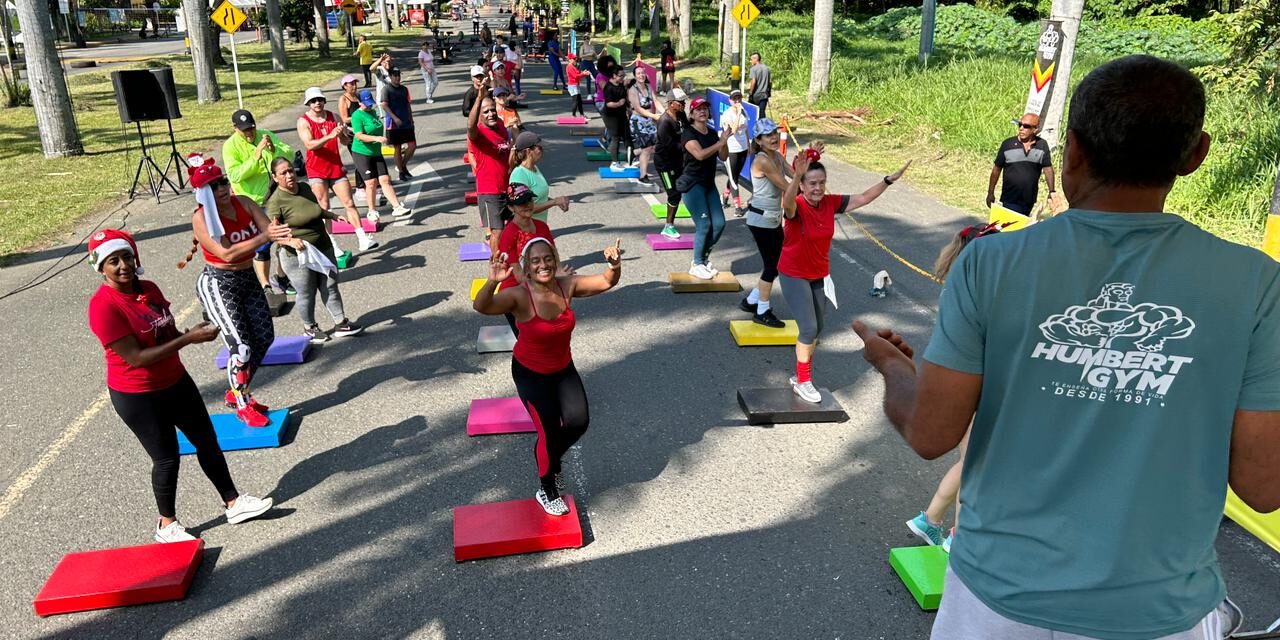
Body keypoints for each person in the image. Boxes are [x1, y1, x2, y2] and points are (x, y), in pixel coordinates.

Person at [855, 55, 1279, 640]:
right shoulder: (1254, 283)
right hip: (1158, 613)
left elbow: (931, 434)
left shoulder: (991, 263)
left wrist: (892, 367)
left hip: (997, 602)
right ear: (1196, 154)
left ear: (1072, 150)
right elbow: (1263, 485)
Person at [88, 229, 274, 543]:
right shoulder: (103, 307)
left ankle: (233, 502)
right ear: (101, 268)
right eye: (113, 261)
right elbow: (136, 358)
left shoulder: (149, 288)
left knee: (207, 440)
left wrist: (193, 331)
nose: (123, 265)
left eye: (127, 257)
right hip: (138, 394)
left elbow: (167, 333)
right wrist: (188, 340)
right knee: (166, 457)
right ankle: (167, 524)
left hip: (175, 380)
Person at [473, 237, 624, 516]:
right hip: (531, 374)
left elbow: (606, 281)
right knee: (548, 430)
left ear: (555, 260)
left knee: (579, 422)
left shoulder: (567, 285)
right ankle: (547, 487)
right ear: (527, 269)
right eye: (536, 261)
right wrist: (492, 281)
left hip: (563, 368)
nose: (543, 264)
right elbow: (482, 306)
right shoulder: (519, 295)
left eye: (547, 258)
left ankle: (550, 456)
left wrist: (614, 265)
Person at [903, 221, 1006, 553]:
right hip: (977, 386)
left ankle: (933, 522)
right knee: (973, 465)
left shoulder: (962, 284)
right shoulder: (983, 292)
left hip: (963, 383)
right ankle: (951, 533)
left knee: (971, 462)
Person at [780, 149, 909, 403]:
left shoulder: (830, 202)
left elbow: (862, 198)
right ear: (803, 186)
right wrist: (796, 176)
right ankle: (804, 381)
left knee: (816, 330)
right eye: (812, 183)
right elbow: (787, 203)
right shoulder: (797, 206)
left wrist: (887, 181)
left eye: (821, 183)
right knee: (807, 329)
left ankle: (799, 376)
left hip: (819, 274)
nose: (817, 188)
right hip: (793, 274)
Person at [178, 155, 280, 427]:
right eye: (213, 186)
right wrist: (265, 237)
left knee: (264, 336)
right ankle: (242, 403)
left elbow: (269, 227)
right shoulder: (201, 218)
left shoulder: (244, 203)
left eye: (222, 182)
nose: (221, 189)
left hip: (247, 278)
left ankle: (239, 392)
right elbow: (227, 252)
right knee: (241, 346)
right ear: (202, 193)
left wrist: (284, 233)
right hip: (218, 283)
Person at [264, 156, 365, 344]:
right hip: (297, 255)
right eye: (283, 173)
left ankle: (340, 323)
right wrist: (290, 240)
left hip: (323, 246)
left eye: (291, 171)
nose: (289, 175)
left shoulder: (304, 188)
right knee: (306, 291)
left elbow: (315, 210)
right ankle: (309, 327)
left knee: (330, 284)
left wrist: (334, 216)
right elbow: (272, 233)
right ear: (275, 177)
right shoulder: (276, 202)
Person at [297, 86, 379, 255]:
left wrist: (342, 135)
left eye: (319, 100)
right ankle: (332, 244)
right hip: (316, 169)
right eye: (313, 101)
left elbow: (343, 141)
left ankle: (362, 238)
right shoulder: (303, 121)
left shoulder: (333, 117)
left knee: (349, 203)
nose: (317, 103)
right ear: (308, 104)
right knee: (324, 208)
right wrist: (329, 136)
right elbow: (309, 145)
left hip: (335, 166)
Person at [222, 109, 293, 292]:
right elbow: (235, 175)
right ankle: (265, 285)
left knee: (285, 238)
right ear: (235, 128)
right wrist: (256, 156)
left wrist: (274, 150)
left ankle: (281, 277)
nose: (250, 133)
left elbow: (290, 155)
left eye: (252, 128)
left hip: (276, 197)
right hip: (252, 203)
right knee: (263, 245)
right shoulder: (230, 146)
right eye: (245, 130)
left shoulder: (266, 135)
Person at [739, 117, 790, 329]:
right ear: (759, 140)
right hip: (761, 219)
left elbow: (796, 175)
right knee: (772, 266)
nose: (774, 138)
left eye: (775, 133)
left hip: (772, 218)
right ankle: (762, 310)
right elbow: (787, 185)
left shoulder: (776, 156)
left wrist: (809, 164)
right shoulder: (763, 161)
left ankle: (751, 300)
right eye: (768, 135)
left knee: (775, 264)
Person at [680, 97, 732, 280]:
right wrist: (720, 142)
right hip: (692, 185)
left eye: (705, 109)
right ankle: (696, 263)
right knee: (704, 225)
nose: (703, 111)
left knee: (719, 224)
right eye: (698, 109)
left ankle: (703, 259)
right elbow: (700, 155)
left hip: (708, 184)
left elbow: (723, 157)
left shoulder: (711, 133)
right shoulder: (688, 133)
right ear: (692, 114)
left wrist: (724, 142)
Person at [349, 89, 413, 221]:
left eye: (370, 103)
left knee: (385, 180)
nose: (369, 105)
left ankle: (396, 207)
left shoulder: (372, 112)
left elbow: (377, 127)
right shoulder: (357, 116)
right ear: (359, 102)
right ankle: (372, 211)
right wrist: (376, 139)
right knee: (371, 183)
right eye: (366, 103)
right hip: (362, 153)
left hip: (376, 152)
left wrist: (383, 139)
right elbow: (359, 136)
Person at [468, 84, 513, 254]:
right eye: (485, 111)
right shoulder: (477, 133)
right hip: (489, 192)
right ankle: (496, 265)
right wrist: (479, 98)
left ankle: (512, 261)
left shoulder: (500, 125)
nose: (491, 113)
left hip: (506, 187)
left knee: (513, 227)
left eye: (492, 109)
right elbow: (470, 127)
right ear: (480, 116)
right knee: (497, 231)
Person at [987, 113, 1055, 217]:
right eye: (1020, 125)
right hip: (1010, 199)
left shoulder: (1042, 145)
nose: (1021, 128)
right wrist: (990, 193)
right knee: (1010, 229)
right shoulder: (1008, 144)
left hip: (1029, 199)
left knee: (1022, 228)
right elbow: (996, 170)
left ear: (1035, 129)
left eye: (1026, 126)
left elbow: (1048, 169)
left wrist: (1051, 191)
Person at [508, 131, 571, 224]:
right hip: (527, 229)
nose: (542, 150)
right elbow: (525, 208)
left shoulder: (534, 168)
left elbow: (538, 198)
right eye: (539, 147)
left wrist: (557, 201)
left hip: (539, 226)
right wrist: (554, 202)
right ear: (528, 151)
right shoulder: (519, 175)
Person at [653, 88, 688, 240]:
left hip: (678, 161)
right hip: (665, 164)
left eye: (684, 101)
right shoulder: (664, 122)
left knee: (681, 191)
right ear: (670, 103)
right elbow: (671, 147)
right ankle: (668, 226)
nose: (683, 104)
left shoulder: (681, 115)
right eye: (680, 102)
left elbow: (688, 130)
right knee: (673, 193)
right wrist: (689, 146)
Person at [380, 67, 418, 181]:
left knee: (412, 145)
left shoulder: (404, 89)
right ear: (390, 76)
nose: (397, 78)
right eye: (395, 75)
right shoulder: (386, 89)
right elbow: (384, 105)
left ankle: (403, 165)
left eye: (398, 75)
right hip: (393, 123)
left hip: (406, 122)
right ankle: (401, 171)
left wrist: (411, 118)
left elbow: (407, 104)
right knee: (397, 147)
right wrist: (394, 118)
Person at [628, 65, 662, 184]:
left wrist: (664, 113)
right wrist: (653, 116)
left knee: (656, 146)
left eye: (642, 73)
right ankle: (643, 176)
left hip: (649, 121)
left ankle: (634, 152)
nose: (641, 75)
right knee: (647, 148)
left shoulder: (648, 86)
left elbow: (656, 101)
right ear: (635, 76)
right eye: (638, 74)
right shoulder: (632, 90)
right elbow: (637, 108)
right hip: (638, 121)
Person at [720, 89, 751, 216]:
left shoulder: (744, 111)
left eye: (739, 98)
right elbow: (733, 129)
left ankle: (724, 196)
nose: (737, 101)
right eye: (734, 99)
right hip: (731, 149)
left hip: (743, 148)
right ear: (730, 101)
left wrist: (749, 145)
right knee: (734, 180)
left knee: (735, 176)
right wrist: (738, 114)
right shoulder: (727, 115)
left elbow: (746, 129)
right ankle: (738, 208)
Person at [602, 66, 631, 172]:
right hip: (610, 116)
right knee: (615, 137)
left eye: (624, 75)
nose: (623, 77)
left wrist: (628, 107)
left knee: (627, 135)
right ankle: (614, 162)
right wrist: (619, 103)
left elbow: (624, 96)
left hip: (621, 114)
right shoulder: (608, 87)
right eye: (620, 76)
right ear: (614, 76)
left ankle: (630, 159)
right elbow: (609, 104)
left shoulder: (621, 85)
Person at [747, 52, 771, 119]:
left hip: (756, 95)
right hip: (764, 95)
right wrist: (769, 92)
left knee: (752, 112)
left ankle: (754, 127)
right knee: (762, 112)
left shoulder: (753, 69)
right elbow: (770, 82)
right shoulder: (766, 68)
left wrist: (751, 92)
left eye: (751, 59)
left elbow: (753, 81)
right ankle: (763, 127)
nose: (750, 61)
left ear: (756, 59)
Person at [565, 53, 587, 118]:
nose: (575, 60)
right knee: (575, 101)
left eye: (576, 58)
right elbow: (576, 76)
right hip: (572, 86)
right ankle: (573, 115)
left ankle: (582, 114)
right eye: (574, 59)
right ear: (570, 59)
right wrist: (583, 74)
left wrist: (583, 73)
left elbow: (578, 74)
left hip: (575, 85)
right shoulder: (569, 67)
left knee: (579, 100)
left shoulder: (572, 66)